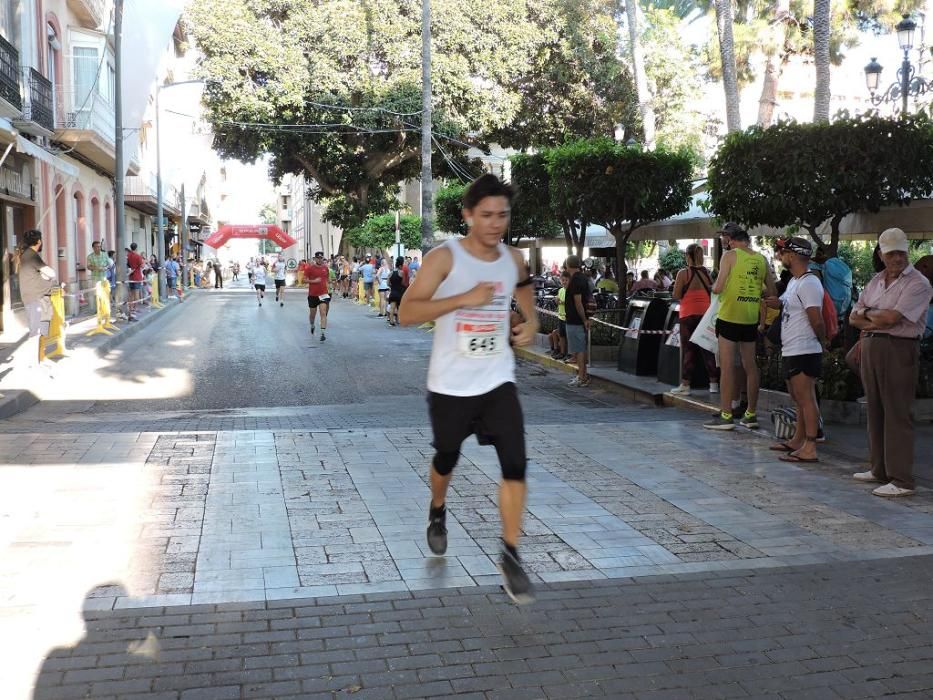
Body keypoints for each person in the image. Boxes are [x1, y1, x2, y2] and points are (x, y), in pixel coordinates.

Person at [398, 174, 538, 604]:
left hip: (497, 379)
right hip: (450, 384)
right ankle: (437, 510)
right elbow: (406, 312)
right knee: (446, 456)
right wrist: (462, 299)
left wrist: (529, 321)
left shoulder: (513, 258)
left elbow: (524, 288)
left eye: (503, 215)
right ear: (468, 215)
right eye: (487, 215)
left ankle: (510, 553)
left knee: (515, 463)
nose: (496, 224)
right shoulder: (445, 258)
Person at [849, 228, 932, 497]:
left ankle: (902, 479)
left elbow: (891, 319)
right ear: (882, 255)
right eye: (891, 253)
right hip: (872, 344)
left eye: (901, 252)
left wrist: (868, 314)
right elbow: (853, 317)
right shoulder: (876, 280)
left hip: (898, 347)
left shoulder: (918, 283)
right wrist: (872, 315)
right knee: (875, 408)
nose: (897, 258)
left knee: (897, 411)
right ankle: (879, 469)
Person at [703, 223, 776, 430]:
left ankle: (726, 415)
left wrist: (713, 287)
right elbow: (771, 292)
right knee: (750, 367)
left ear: (731, 240)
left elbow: (717, 287)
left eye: (725, 239)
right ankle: (750, 414)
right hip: (750, 319)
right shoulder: (761, 260)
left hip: (728, 317)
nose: (724, 242)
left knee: (726, 367)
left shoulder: (729, 256)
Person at [766, 238, 826, 463]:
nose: (780, 255)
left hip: (804, 347)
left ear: (793, 255)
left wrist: (822, 342)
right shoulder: (795, 282)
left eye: (783, 251)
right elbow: (790, 304)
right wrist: (777, 303)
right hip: (793, 347)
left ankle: (810, 446)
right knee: (798, 398)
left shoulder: (809, 283)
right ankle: (798, 440)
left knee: (806, 398)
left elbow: (816, 319)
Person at [670, 243, 719, 396]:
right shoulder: (707, 273)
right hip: (705, 315)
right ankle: (713, 384)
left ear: (688, 256)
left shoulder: (683, 273)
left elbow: (676, 295)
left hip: (688, 314)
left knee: (689, 350)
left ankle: (685, 385)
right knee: (707, 349)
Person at [14, 229, 57, 372]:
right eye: (41, 239)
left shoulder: (28, 254)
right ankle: (32, 363)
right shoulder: (32, 255)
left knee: (40, 330)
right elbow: (51, 273)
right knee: (35, 332)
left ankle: (39, 359)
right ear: (38, 241)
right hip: (35, 298)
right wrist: (49, 276)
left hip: (37, 297)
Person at [564, 255, 591, 388]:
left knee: (579, 350)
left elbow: (578, 302)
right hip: (577, 319)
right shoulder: (582, 278)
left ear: (568, 265)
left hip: (575, 320)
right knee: (580, 349)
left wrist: (584, 319)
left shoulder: (575, 280)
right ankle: (582, 375)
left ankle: (582, 377)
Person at [810, 246, 852, 320]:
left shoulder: (826, 266)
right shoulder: (840, 265)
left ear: (825, 254)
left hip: (833, 304)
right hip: (843, 305)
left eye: (819, 254)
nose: (816, 256)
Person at [306, 251, 331, 340]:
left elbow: (327, 279)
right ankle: (312, 325)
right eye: (318, 258)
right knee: (313, 314)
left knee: (323, 313)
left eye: (321, 258)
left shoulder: (325, 268)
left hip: (323, 294)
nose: (320, 260)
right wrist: (314, 281)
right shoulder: (310, 268)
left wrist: (329, 289)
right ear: (315, 258)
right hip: (313, 294)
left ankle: (322, 333)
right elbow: (305, 280)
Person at [549, 271, 570, 359]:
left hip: (568, 317)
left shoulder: (570, 291)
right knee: (561, 335)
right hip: (561, 316)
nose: (564, 282)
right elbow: (557, 299)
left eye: (566, 280)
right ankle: (562, 352)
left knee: (568, 336)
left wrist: (563, 302)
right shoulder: (560, 290)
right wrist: (556, 300)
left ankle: (568, 354)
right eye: (562, 280)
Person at [86, 240, 109, 315]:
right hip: (95, 278)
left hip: (104, 278)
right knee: (97, 294)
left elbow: (109, 264)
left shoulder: (105, 255)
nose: (98, 248)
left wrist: (106, 268)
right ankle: (98, 309)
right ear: (93, 248)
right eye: (97, 247)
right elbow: (88, 267)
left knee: (104, 294)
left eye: (99, 246)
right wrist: (95, 268)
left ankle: (104, 309)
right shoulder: (90, 256)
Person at [126, 243, 145, 320]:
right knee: (136, 293)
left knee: (131, 294)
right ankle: (135, 308)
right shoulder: (138, 256)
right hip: (137, 276)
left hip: (130, 276)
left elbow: (127, 264)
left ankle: (130, 308)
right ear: (136, 248)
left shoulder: (128, 255)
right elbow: (142, 266)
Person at [387, 256, 406, 326]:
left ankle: (391, 322)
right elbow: (403, 282)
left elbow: (388, 283)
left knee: (392, 308)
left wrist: (392, 286)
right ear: (400, 265)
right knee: (400, 307)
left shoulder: (390, 273)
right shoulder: (401, 272)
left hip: (393, 292)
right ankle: (399, 320)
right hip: (400, 292)